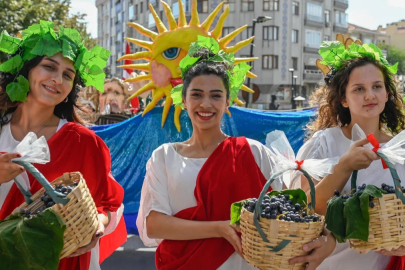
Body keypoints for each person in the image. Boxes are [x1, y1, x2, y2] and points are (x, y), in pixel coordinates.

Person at [136, 36, 336, 270]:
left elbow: (293, 209)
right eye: (197, 94)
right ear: (183, 100)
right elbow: (155, 225)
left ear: (228, 101)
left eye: (216, 95)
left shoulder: (252, 151)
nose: (206, 103)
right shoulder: (164, 157)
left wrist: (329, 239)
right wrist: (219, 228)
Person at [0, 21, 126, 270]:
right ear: (27, 70)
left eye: (67, 75)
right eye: (49, 67)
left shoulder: (84, 143)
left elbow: (108, 205)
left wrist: (97, 224)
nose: (57, 79)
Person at [296, 40, 405, 269]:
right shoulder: (325, 144)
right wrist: (343, 167)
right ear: (343, 99)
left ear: (387, 94)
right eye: (359, 89)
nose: (370, 95)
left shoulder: (401, 148)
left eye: (377, 86)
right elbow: (303, 208)